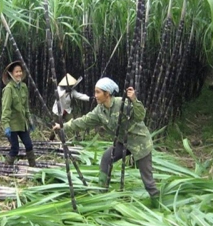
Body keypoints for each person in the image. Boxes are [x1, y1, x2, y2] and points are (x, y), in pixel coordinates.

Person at [52, 77, 160, 207]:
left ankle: (157, 206)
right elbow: (84, 121)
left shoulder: (122, 103)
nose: (95, 95)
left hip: (140, 143)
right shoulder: (99, 110)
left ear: (107, 94)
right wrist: (63, 126)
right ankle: (102, 192)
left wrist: (134, 100)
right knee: (106, 158)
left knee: (147, 180)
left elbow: (140, 116)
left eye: (98, 92)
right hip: (123, 142)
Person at [1, 60, 36, 166]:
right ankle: (6, 168)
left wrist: (30, 121)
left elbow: (26, 107)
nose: (19, 74)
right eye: (16, 72)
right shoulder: (8, 89)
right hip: (12, 124)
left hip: (22, 123)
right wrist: (6, 125)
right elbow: (5, 109)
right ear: (11, 74)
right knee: (15, 148)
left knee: (29, 145)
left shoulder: (24, 87)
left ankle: (33, 167)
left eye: (20, 71)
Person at [49, 73, 92, 140]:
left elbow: (79, 95)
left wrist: (89, 98)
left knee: (73, 122)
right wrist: (65, 91)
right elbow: (58, 95)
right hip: (57, 111)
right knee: (55, 127)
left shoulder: (72, 91)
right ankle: (51, 139)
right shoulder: (59, 89)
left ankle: (78, 137)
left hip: (67, 111)